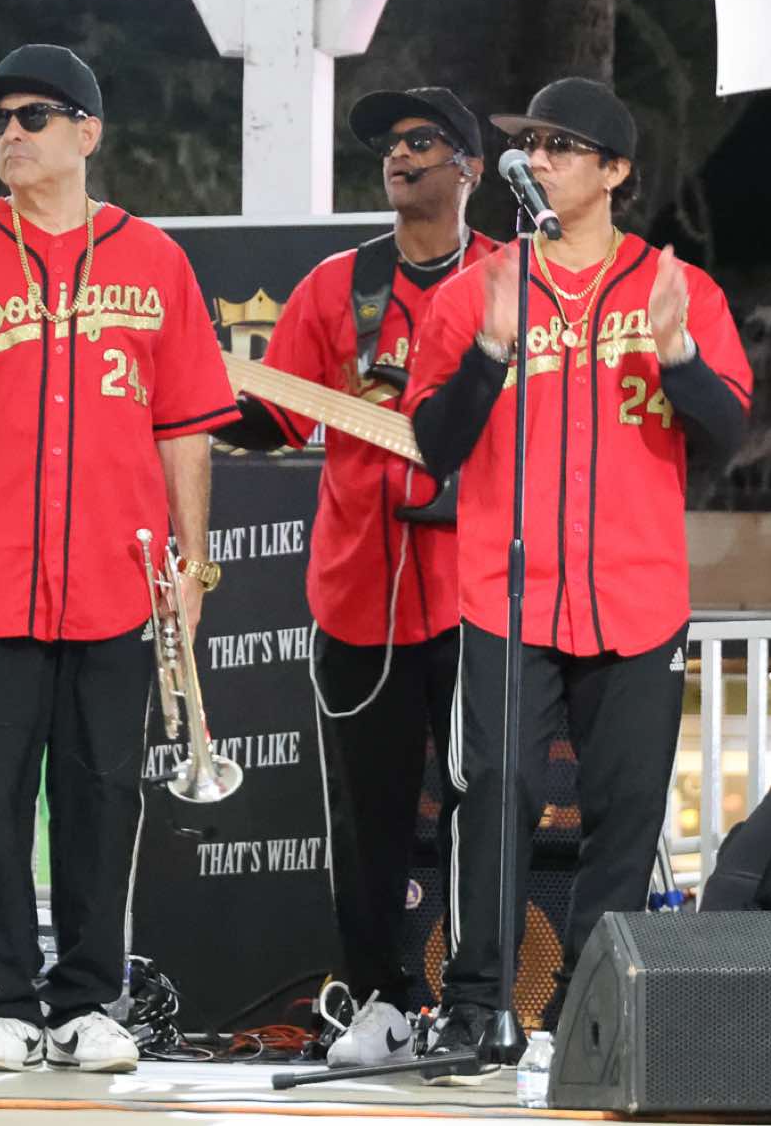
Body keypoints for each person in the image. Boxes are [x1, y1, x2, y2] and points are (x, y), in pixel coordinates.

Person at [0, 44, 238, 1074]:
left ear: (87, 132)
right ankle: (7, 1001)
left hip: (118, 577)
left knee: (106, 792)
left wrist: (193, 563)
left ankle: (88, 1002)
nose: (10, 134)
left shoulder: (154, 259)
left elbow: (184, 428)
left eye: (33, 116)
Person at [403, 78, 752, 1072]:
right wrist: (487, 351)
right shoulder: (480, 290)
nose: (541, 158)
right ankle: (476, 1005)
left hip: (637, 596)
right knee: (494, 791)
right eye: (534, 143)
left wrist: (677, 356)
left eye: (563, 145)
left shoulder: (674, 288)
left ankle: (590, 1016)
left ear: (615, 171)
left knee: (624, 812)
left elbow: (726, 433)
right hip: (506, 594)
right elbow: (433, 444)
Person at [212, 86, 497, 1067]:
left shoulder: (511, 282)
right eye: (388, 145)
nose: (398, 155)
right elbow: (275, 418)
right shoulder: (338, 286)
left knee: (484, 804)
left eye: (422, 140)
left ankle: (483, 1002)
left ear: (470, 166)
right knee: (367, 818)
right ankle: (380, 999)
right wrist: (196, 386)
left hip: (479, 594)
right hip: (357, 596)